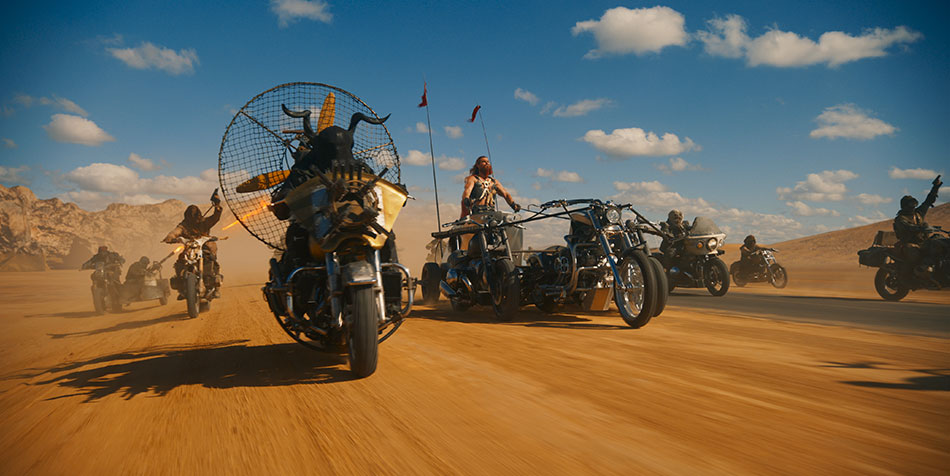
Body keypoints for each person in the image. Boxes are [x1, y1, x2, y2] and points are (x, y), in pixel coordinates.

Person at [163, 190, 223, 297]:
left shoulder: (204, 222)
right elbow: (176, 231)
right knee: (180, 260)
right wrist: (170, 238)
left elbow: (215, 217)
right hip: (190, 247)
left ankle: (216, 285)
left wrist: (217, 206)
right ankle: (181, 287)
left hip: (204, 245)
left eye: (194, 215)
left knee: (211, 257)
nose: (193, 217)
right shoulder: (184, 225)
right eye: (190, 216)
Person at [894, 175, 942, 276]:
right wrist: (922, 228)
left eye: (914, 203)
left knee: (940, 243)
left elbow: (928, 201)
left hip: (924, 242)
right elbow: (909, 227)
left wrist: (936, 187)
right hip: (909, 244)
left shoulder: (918, 213)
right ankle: (907, 277)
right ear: (904, 205)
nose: (913, 206)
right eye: (910, 204)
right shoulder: (900, 219)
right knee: (915, 256)